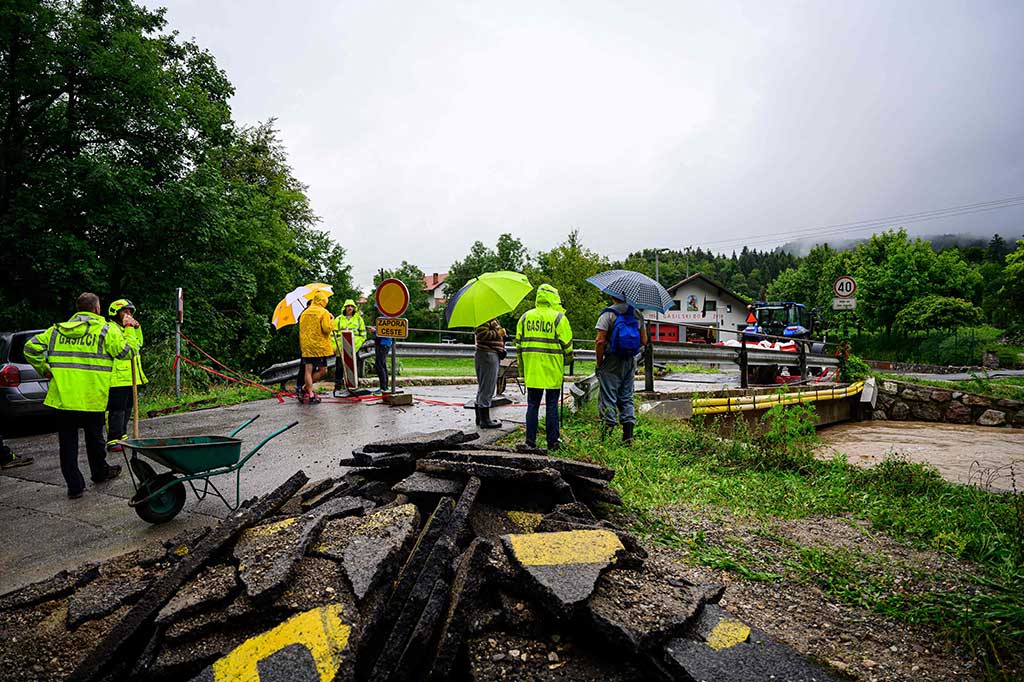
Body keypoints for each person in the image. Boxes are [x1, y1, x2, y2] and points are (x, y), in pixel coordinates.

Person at [23, 292, 133, 498]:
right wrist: (129, 330)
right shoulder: (105, 331)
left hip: (64, 399)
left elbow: (30, 347)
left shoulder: (56, 331)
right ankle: (99, 473)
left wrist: (43, 368)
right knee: (95, 438)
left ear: (78, 310)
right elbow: (128, 352)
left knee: (67, 444)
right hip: (92, 396)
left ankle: (74, 486)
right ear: (97, 309)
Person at [516, 284, 573, 450]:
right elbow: (568, 347)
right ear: (554, 298)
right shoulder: (559, 318)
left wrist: (522, 370)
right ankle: (553, 441)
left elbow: (519, 347)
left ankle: (530, 441)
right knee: (552, 406)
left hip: (532, 370)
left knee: (532, 406)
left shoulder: (525, 317)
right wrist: (567, 361)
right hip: (552, 370)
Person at [595, 295, 648, 444]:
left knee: (608, 396)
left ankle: (606, 437)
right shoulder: (637, 314)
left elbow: (600, 341)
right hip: (630, 360)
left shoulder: (607, 314)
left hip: (611, 360)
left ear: (612, 296)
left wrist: (600, 363)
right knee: (626, 396)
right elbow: (644, 341)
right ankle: (628, 436)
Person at [105, 299, 147, 452]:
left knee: (128, 407)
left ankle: (122, 436)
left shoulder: (126, 328)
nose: (128, 315)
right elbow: (124, 349)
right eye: (125, 311)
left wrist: (136, 327)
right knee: (116, 409)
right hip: (116, 378)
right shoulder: (111, 328)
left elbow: (138, 344)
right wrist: (129, 327)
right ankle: (113, 439)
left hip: (130, 376)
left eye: (130, 312)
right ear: (115, 313)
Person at [297, 290, 334, 404]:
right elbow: (326, 329)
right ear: (323, 301)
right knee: (323, 371)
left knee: (308, 370)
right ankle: (309, 391)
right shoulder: (324, 312)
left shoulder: (304, 313)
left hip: (307, 347)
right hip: (319, 347)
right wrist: (331, 321)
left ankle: (307, 391)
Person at [474, 317, 505, 429]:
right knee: (487, 387)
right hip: (487, 355)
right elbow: (482, 334)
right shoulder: (483, 318)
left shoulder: (490, 318)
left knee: (484, 387)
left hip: (490, 354)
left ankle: (480, 417)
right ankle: (485, 420)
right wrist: (498, 333)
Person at [333, 299, 366, 392]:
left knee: (353, 367)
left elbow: (363, 335)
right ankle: (338, 386)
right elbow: (333, 335)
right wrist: (334, 346)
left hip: (354, 347)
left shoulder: (359, 319)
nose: (350, 308)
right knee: (339, 367)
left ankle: (353, 385)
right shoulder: (338, 319)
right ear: (345, 307)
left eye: (351, 306)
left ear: (354, 308)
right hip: (340, 347)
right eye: (348, 306)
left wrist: (356, 345)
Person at [369, 306, 392, 393]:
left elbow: (383, 332)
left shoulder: (383, 318)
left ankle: (383, 387)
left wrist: (374, 331)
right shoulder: (389, 317)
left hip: (382, 344)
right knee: (382, 364)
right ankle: (385, 386)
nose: (377, 310)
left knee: (379, 365)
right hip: (385, 343)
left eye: (378, 308)